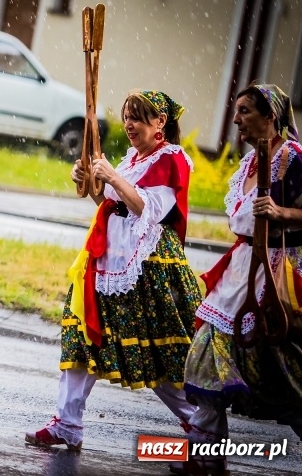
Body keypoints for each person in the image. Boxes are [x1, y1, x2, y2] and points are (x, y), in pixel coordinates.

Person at [25, 90, 202, 451]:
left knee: (156, 354)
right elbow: (110, 202)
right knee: (82, 336)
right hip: (107, 257)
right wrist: (89, 179)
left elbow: (145, 209)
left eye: (137, 117)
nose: (129, 124)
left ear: (160, 123)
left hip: (146, 266)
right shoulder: (133, 160)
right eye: (126, 116)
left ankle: (201, 426)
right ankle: (67, 423)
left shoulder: (173, 159)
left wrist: (111, 176)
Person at [175, 84, 302, 476]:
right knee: (208, 353)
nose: (235, 119)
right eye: (236, 110)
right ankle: (205, 456)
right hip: (239, 271)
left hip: (278, 271)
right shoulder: (248, 164)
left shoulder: (294, 159)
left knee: (280, 369)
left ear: (271, 116)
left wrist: (281, 213)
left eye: (245, 111)